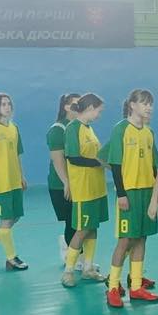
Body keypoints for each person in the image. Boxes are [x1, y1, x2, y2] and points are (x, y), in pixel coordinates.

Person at [105, 89, 158, 307]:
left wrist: (156, 194)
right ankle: (113, 287)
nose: (149, 107)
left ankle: (136, 287)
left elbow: (155, 165)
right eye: (144, 103)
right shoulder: (120, 129)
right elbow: (115, 164)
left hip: (147, 192)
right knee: (125, 240)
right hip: (129, 192)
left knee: (141, 238)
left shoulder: (149, 132)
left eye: (150, 103)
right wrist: (121, 193)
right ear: (132, 105)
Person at [60, 94, 109, 288]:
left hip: (97, 187)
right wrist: (99, 162)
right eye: (99, 111)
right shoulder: (73, 128)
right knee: (82, 230)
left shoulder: (89, 129)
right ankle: (68, 271)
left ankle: (88, 268)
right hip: (84, 188)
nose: (99, 115)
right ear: (89, 108)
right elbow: (73, 157)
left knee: (93, 227)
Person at [0, 93, 29, 271]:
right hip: (0, 181)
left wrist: (21, 176)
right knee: (6, 219)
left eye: (9, 104)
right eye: (3, 104)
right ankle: (11, 258)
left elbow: (17, 154)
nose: (7, 107)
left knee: (15, 216)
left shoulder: (14, 128)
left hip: (14, 180)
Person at [47, 93, 83, 266]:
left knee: (79, 220)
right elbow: (57, 159)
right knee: (72, 221)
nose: (79, 108)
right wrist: (66, 182)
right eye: (76, 104)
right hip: (61, 184)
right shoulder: (58, 129)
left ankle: (72, 249)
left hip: (79, 181)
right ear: (66, 107)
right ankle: (74, 257)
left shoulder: (78, 127)